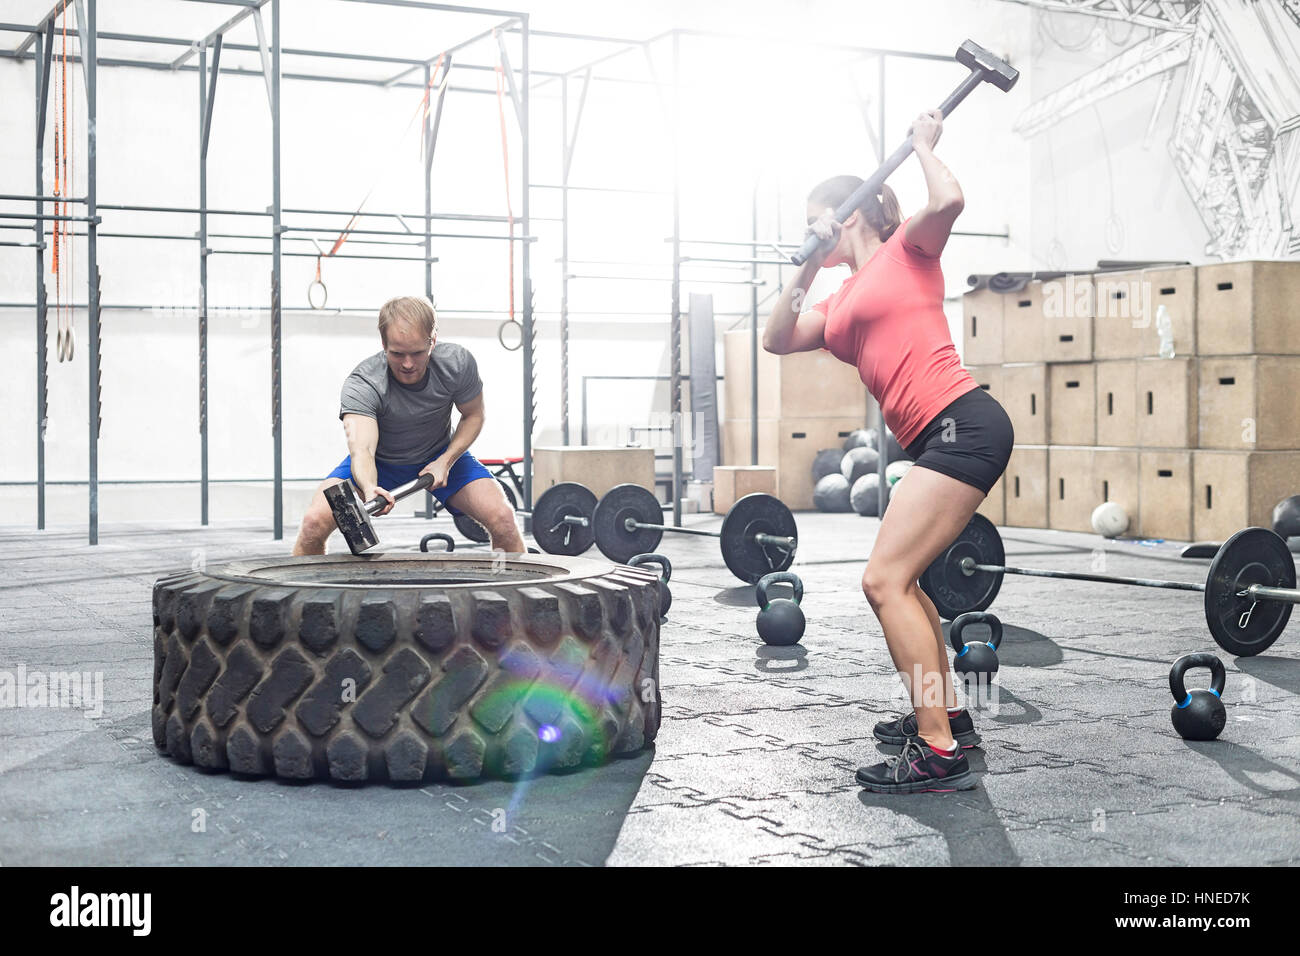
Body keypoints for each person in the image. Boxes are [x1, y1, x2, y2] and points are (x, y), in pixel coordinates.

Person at [763, 110, 1014, 794]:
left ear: (852, 212)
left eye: (820, 218)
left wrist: (924, 147)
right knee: (907, 582)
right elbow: (777, 337)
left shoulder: (910, 248)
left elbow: (951, 200)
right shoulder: (840, 299)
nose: (813, 227)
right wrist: (811, 261)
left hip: (963, 421)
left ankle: (936, 750)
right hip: (940, 436)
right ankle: (950, 721)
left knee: (883, 581)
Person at [293, 295, 524, 555]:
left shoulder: (457, 364)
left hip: (439, 455)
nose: (408, 364)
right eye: (397, 353)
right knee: (313, 524)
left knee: (504, 520)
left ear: (433, 340)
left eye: (417, 353)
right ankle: (304, 593)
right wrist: (369, 488)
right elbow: (363, 450)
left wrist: (446, 460)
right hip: (379, 462)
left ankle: (518, 594)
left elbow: (474, 415)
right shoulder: (364, 383)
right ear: (383, 343)